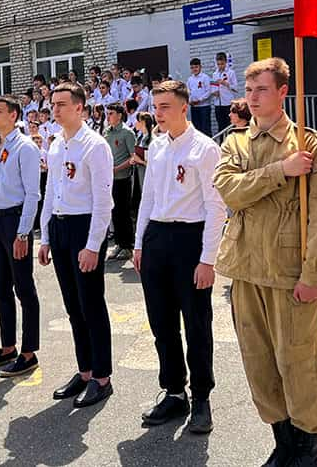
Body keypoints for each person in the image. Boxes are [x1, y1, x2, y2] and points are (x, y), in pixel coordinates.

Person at [213, 58, 317, 467]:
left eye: (262, 90)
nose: (252, 98)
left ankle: (308, 451)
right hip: (246, 271)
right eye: (249, 91)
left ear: (283, 92)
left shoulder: (309, 143)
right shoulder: (235, 143)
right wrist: (280, 171)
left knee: (297, 362)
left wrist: (313, 275)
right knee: (260, 364)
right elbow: (229, 192)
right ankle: (283, 445)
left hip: (291, 276)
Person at [132, 80, 223, 434]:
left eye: (166, 107)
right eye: (156, 107)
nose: (159, 114)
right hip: (157, 237)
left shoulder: (204, 149)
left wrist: (208, 259)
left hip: (190, 239)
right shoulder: (156, 147)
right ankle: (173, 391)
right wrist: (139, 243)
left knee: (197, 323)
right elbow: (148, 198)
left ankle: (201, 397)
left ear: (184, 107)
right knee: (161, 323)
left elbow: (217, 207)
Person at [38, 82, 115, 408]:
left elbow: (103, 201)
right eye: (53, 104)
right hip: (60, 226)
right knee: (73, 307)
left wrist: (93, 245)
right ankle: (84, 370)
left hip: (84, 228)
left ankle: (102, 377)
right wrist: (44, 236)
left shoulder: (95, 146)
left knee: (91, 305)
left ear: (80, 108)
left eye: (62, 104)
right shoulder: (56, 144)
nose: (55, 110)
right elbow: (51, 192)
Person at [0, 94, 43, 378]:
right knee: (0, 288)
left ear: (14, 116)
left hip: (16, 221)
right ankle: (8, 347)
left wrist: (24, 232)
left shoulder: (25, 148)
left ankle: (29, 352)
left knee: (23, 288)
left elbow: (32, 194)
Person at [104, 103, 137, 262]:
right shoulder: (107, 132)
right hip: (109, 179)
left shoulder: (127, 133)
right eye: (107, 113)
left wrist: (117, 169)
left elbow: (133, 157)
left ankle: (128, 246)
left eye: (111, 113)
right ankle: (118, 243)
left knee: (124, 212)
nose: (108, 116)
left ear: (119, 115)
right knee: (114, 211)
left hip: (123, 178)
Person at [212, 52, 238, 135]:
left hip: (227, 103)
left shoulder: (231, 73)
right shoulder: (214, 74)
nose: (220, 66)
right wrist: (214, 92)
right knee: (220, 126)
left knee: (229, 125)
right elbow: (213, 87)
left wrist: (226, 84)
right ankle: (222, 144)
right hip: (218, 104)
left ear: (226, 62)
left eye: (222, 64)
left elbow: (235, 88)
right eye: (218, 64)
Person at [186, 58, 213, 137]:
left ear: (200, 67)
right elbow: (188, 92)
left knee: (205, 128)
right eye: (192, 67)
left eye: (196, 67)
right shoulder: (190, 79)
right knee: (196, 128)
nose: (194, 69)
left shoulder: (205, 77)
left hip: (204, 107)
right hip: (194, 107)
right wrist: (190, 100)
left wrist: (200, 100)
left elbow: (209, 92)